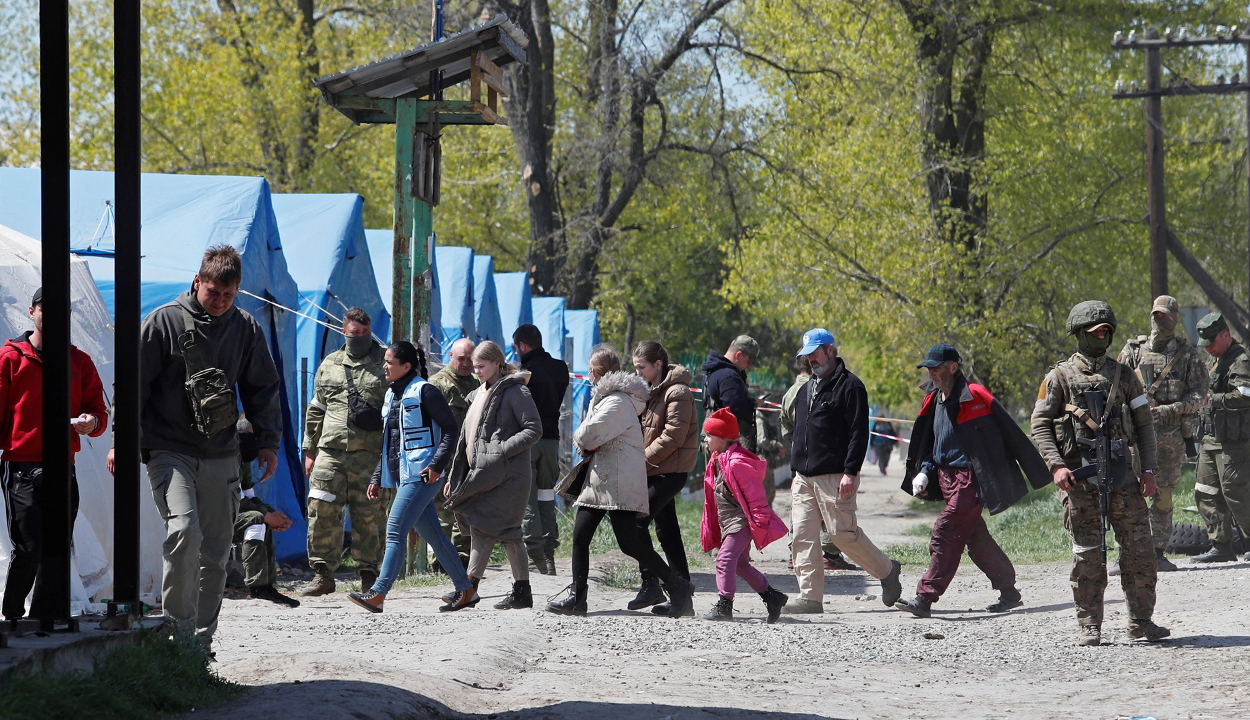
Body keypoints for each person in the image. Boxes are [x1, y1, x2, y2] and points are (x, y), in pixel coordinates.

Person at [140, 245, 282, 649]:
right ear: (197, 281)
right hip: (170, 448)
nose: (220, 302)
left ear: (238, 291)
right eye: (213, 292)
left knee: (218, 552)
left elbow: (263, 387)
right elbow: (133, 386)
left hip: (222, 452)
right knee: (184, 532)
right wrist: (123, 440)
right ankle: (176, 637)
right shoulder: (163, 323)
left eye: (229, 295)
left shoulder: (246, 328)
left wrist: (268, 441)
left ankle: (199, 648)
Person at [1030, 300, 1168, 647]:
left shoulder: (1124, 375)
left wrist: (1149, 469)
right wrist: (1056, 465)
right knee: (1088, 553)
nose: (1102, 336)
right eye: (1095, 332)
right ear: (1078, 334)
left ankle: (1141, 621)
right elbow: (1040, 424)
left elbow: (1144, 425)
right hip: (1079, 478)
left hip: (1122, 475)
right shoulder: (1058, 377)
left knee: (1139, 550)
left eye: (1107, 331)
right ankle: (1090, 623)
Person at [894, 344, 1049, 618]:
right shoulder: (933, 399)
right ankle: (1009, 591)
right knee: (975, 537)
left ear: (953, 367)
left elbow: (1008, 432)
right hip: (945, 477)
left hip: (970, 480)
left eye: (937, 367)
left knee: (945, 531)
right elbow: (931, 443)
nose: (932, 373)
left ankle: (925, 597)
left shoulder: (975, 395)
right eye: (929, 368)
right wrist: (925, 471)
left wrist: (1034, 468)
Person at [547, 345, 695, 617]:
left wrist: (582, 440)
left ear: (594, 373)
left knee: (630, 542)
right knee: (583, 537)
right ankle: (578, 597)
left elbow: (588, 435)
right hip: (605, 479)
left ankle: (676, 586)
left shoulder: (616, 401)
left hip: (615, 481)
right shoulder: (610, 398)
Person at [1, 287, 108, 624]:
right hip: (21, 464)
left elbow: (98, 412)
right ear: (32, 312)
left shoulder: (80, 361)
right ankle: (12, 617)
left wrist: (92, 423)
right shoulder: (10, 358)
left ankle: (46, 618)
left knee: (58, 546)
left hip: (64, 465)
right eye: (47, 309)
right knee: (29, 545)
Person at [347, 342, 477, 613]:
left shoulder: (425, 391)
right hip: (404, 475)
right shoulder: (393, 394)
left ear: (406, 366)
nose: (384, 366)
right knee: (436, 537)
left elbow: (451, 429)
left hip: (422, 475)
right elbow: (391, 442)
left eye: (389, 362)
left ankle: (378, 593)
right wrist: (377, 475)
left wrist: (437, 466)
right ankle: (465, 590)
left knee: (394, 530)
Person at [786, 328, 902, 614]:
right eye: (807, 355)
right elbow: (800, 432)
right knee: (802, 535)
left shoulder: (851, 386)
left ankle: (887, 571)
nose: (812, 360)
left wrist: (851, 472)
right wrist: (794, 470)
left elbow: (858, 433)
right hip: (803, 477)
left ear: (830, 350)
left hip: (835, 476)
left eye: (815, 353)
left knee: (842, 535)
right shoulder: (805, 389)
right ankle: (810, 597)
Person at [444, 341, 542, 610]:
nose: (476, 371)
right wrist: (456, 475)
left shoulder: (516, 391)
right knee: (496, 530)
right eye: (474, 367)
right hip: (485, 473)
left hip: (509, 475)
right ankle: (516, 591)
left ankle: (469, 589)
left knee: (489, 528)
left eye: (481, 366)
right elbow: (467, 439)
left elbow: (534, 429)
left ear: (497, 363)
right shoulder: (478, 394)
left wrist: (500, 451)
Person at [300, 308, 388, 596]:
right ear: (344, 332)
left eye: (365, 333)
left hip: (370, 454)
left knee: (369, 515)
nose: (360, 338)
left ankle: (368, 576)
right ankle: (323, 573)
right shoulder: (330, 364)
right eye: (355, 334)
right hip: (330, 451)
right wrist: (309, 450)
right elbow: (316, 409)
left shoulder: (385, 361)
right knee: (321, 507)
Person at [1117, 296, 1208, 571]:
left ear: (1174, 319)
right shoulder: (1133, 351)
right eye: (1156, 315)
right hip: (1135, 437)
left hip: (1170, 438)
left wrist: (1170, 410)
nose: (1160, 321)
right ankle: (1128, 553)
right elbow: (1116, 387)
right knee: (1128, 494)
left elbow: (1201, 393)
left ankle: (1157, 552)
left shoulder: (1188, 355)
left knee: (1163, 495)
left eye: (1166, 316)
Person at [626, 341, 698, 615]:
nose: (638, 373)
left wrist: (641, 461)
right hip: (658, 469)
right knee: (667, 533)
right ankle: (683, 596)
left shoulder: (677, 392)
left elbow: (673, 435)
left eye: (641, 367)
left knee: (636, 524)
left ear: (658, 365)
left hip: (669, 471)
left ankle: (652, 584)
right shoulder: (653, 391)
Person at [699, 408, 790, 623]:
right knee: (740, 564)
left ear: (721, 438)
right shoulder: (718, 458)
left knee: (724, 560)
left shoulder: (736, 463)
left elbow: (756, 497)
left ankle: (724, 605)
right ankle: (773, 597)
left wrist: (759, 523)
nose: (705, 439)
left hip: (742, 522)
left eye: (708, 435)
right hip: (730, 521)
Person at [1190, 312, 1250, 563]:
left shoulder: (1241, 360)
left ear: (1225, 335)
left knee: (1235, 491)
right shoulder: (1217, 359)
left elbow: (1246, 395)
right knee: (1206, 490)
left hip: (1234, 441)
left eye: (1212, 343)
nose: (1209, 349)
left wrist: (1212, 400)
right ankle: (1221, 545)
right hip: (1211, 438)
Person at [782, 367, 853, 571]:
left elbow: (784, 425)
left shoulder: (790, 392)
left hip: (800, 459)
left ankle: (796, 555)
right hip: (824, 459)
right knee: (829, 507)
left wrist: (795, 446)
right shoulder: (822, 388)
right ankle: (829, 553)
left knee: (801, 508)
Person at [514, 324, 569, 575]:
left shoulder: (525, 372)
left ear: (523, 346)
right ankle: (549, 552)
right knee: (547, 496)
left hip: (528, 441)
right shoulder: (560, 367)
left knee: (527, 498)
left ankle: (535, 556)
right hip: (551, 440)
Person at [232, 417, 299, 608]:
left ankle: (267, 586)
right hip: (215, 516)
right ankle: (255, 586)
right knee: (256, 519)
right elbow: (231, 497)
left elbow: (248, 495)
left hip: (234, 514)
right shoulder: (225, 457)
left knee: (262, 520)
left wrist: (272, 514)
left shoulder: (242, 459)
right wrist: (267, 516)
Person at [428, 337, 479, 569]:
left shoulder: (479, 384)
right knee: (441, 512)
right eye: (461, 359)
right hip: (443, 459)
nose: (467, 363)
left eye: (471, 359)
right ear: (450, 357)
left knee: (466, 511)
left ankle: (461, 557)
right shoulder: (437, 385)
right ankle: (438, 561)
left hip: (469, 460)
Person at [702, 335, 760, 452]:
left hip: (714, 440)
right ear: (738, 355)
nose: (749, 366)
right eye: (748, 361)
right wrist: (752, 403)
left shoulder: (713, 372)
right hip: (725, 446)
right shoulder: (729, 376)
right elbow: (737, 409)